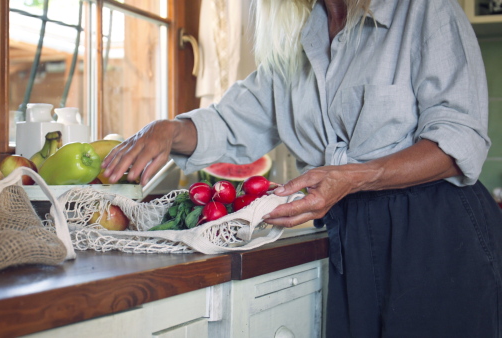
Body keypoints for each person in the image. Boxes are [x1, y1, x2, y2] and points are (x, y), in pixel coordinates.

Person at [103, 0, 502, 336]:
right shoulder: (299, 40)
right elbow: (229, 122)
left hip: (440, 237)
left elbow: (459, 140)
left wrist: (354, 177)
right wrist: (169, 130)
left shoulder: (424, 10)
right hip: (347, 240)